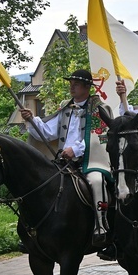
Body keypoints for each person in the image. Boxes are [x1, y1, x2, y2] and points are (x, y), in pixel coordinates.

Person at [20, 69, 113, 246]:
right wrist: (32, 119)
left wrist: (75, 150)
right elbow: (47, 133)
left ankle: (101, 226)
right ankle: (33, 230)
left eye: (76, 84)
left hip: (90, 160)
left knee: (96, 181)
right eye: (71, 83)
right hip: (63, 162)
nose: (72, 87)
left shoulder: (99, 108)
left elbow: (100, 137)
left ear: (87, 87)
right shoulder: (66, 108)